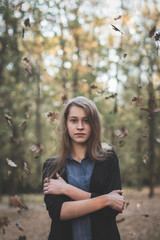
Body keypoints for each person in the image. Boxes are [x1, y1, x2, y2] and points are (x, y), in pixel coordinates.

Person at [43, 96, 125, 240]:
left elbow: (112, 210)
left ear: (94, 125)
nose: (80, 126)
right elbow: (58, 212)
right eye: (74, 120)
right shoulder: (52, 166)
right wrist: (106, 199)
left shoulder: (109, 158)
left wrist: (67, 189)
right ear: (66, 124)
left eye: (86, 120)